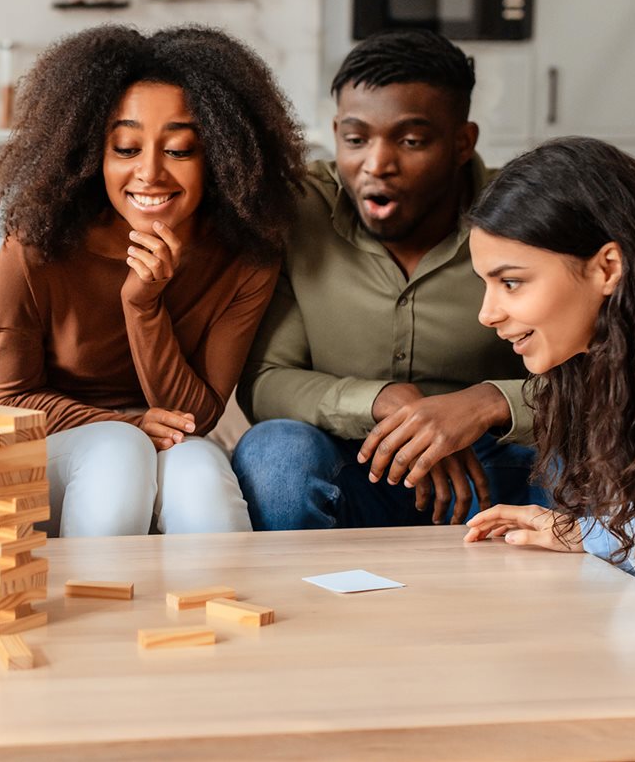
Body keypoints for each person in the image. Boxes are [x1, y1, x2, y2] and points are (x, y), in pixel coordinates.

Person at [0, 24, 306, 537]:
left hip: (174, 438)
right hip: (58, 447)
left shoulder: (245, 257)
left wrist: (144, 306)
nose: (151, 173)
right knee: (118, 452)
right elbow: (10, 401)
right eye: (126, 149)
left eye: (180, 150)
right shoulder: (35, 248)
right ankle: (96, 610)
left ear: (221, 157)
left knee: (203, 480)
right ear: (93, 155)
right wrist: (129, 425)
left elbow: (194, 417)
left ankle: (218, 613)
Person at [232, 29, 548, 530]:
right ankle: (305, 605)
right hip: (350, 464)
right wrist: (385, 403)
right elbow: (268, 382)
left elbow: (597, 383)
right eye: (355, 140)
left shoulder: (526, 215)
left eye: (411, 141)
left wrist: (484, 403)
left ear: (462, 142)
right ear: (336, 131)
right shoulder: (296, 210)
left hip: (488, 469)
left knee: (581, 460)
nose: (377, 165)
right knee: (275, 456)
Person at [463, 138, 635, 595]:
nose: (487, 313)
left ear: (607, 268)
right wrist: (592, 533)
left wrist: (599, 536)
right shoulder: (602, 379)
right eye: (487, 284)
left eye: (511, 282)